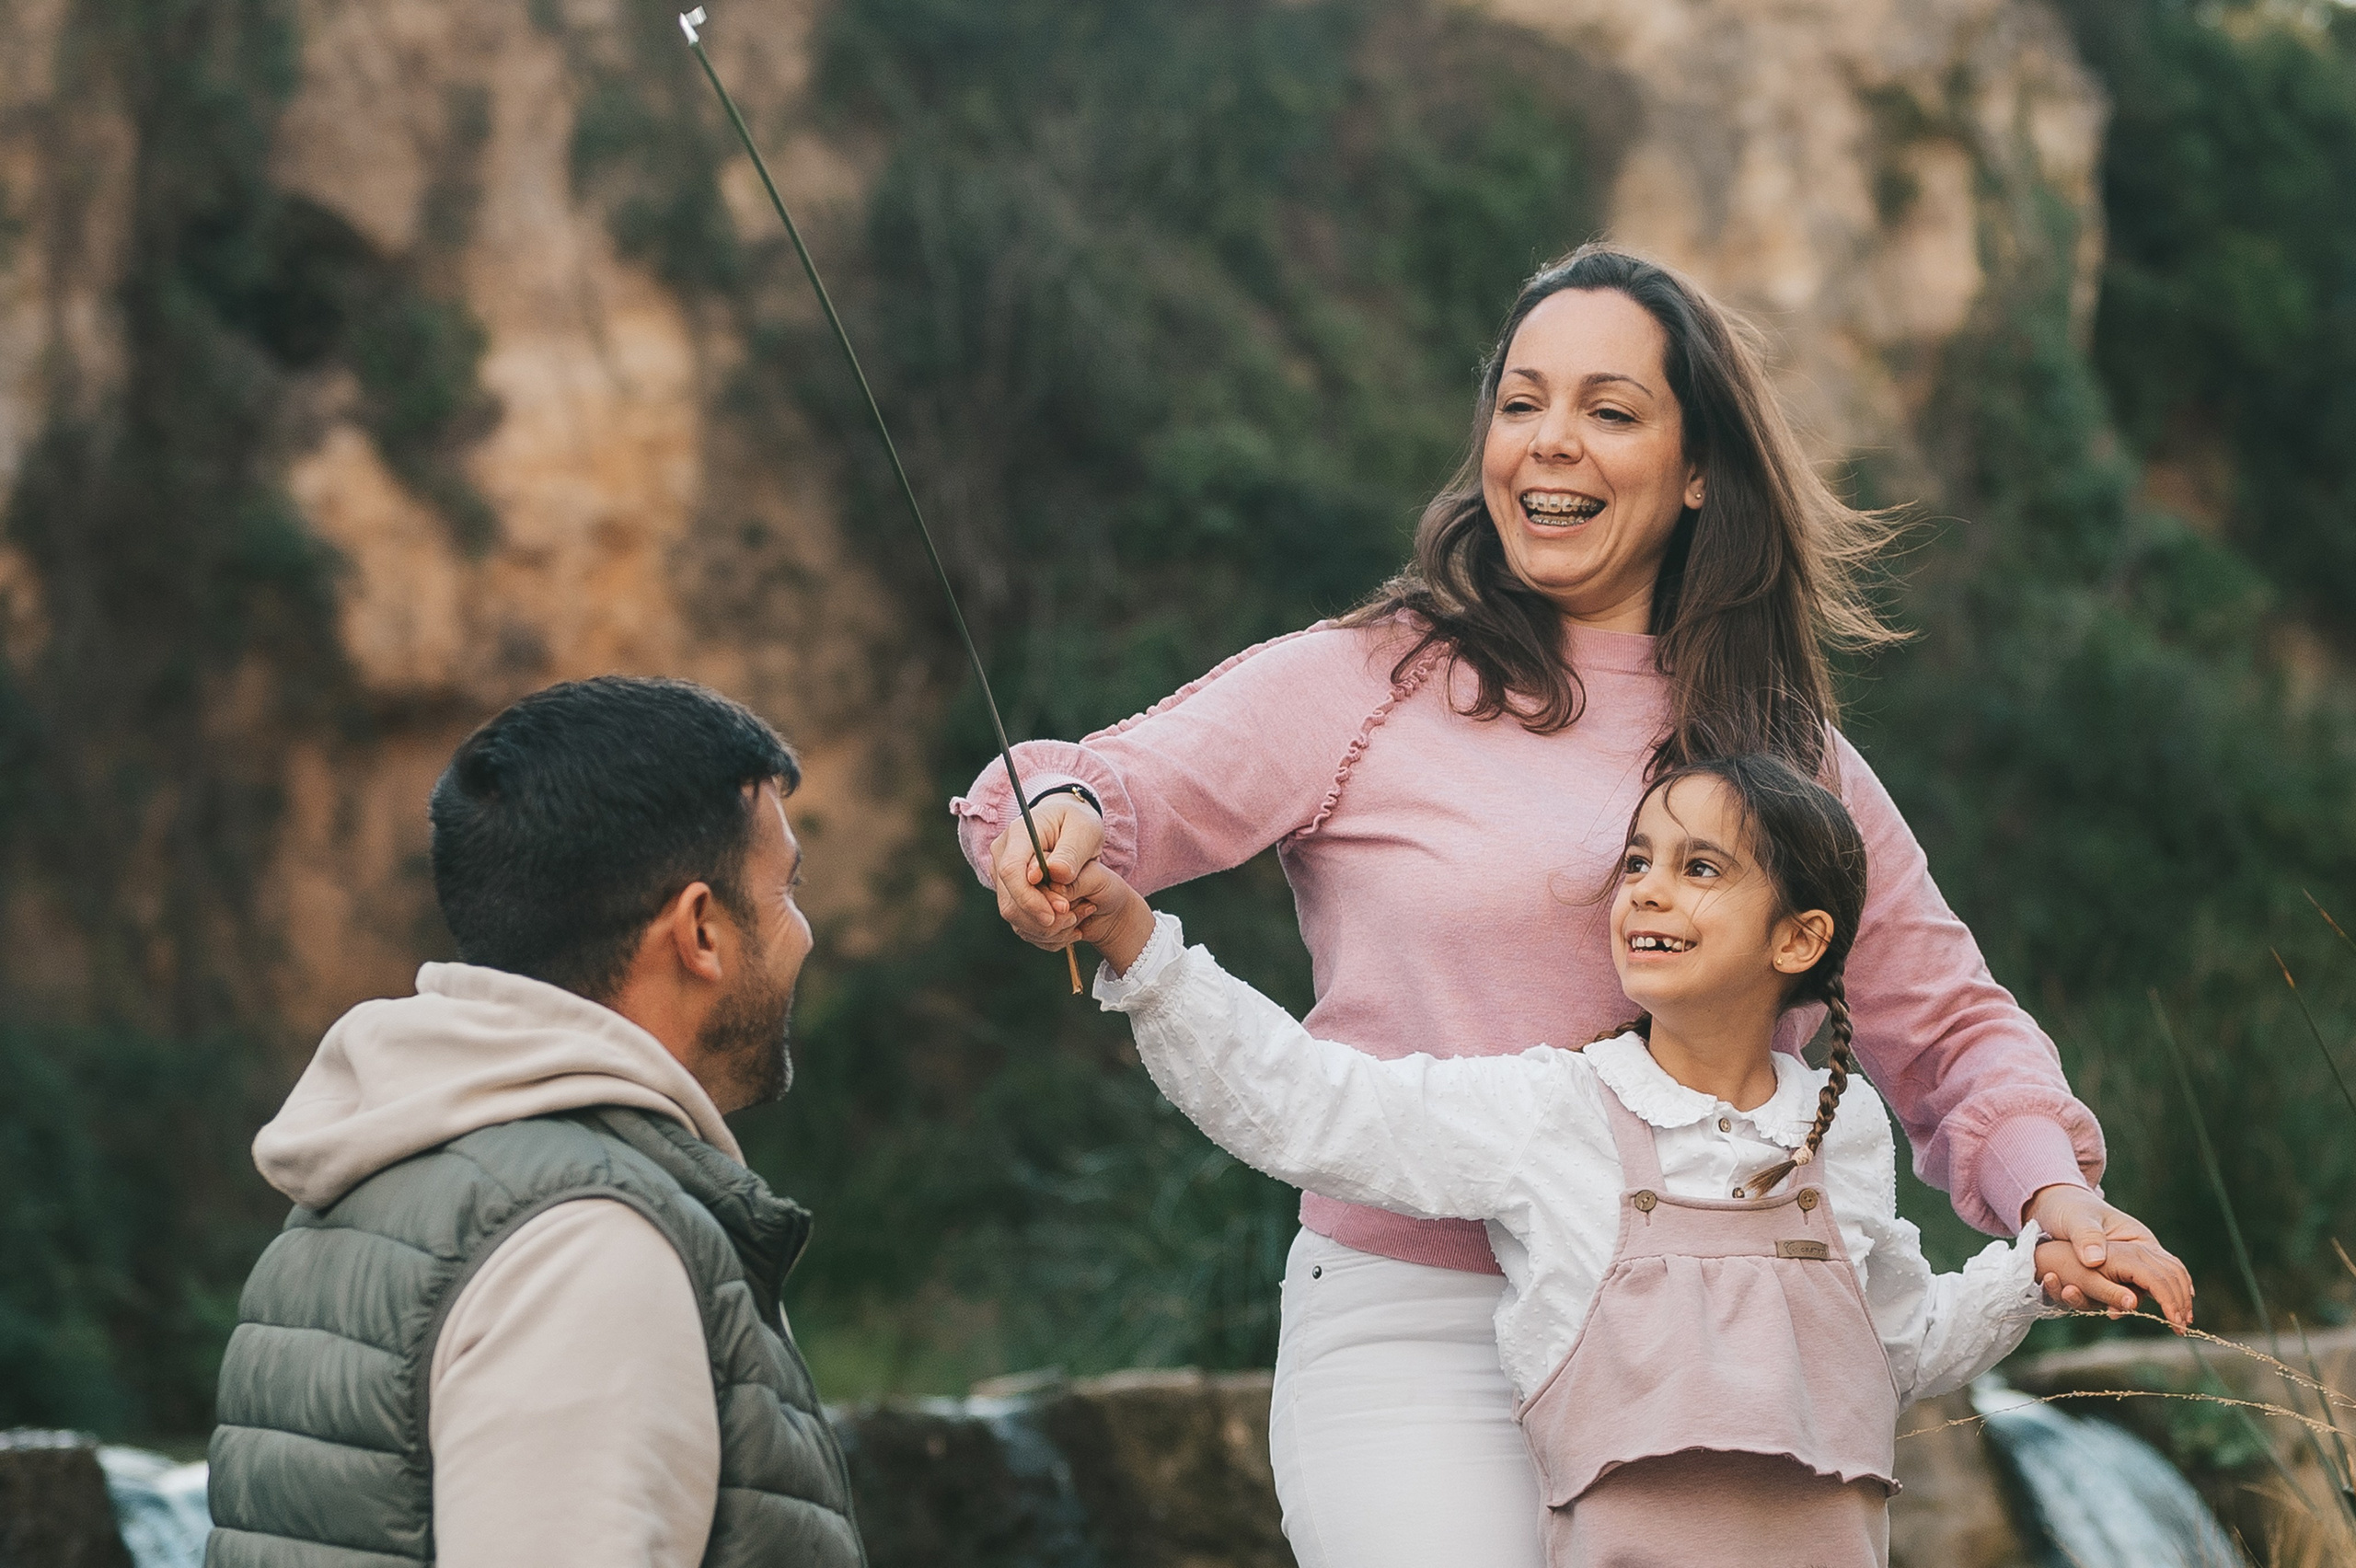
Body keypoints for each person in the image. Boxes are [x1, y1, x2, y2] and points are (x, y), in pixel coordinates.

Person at [952, 243, 2194, 1565]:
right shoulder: (1368, 682)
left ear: (1698, 468)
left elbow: (1946, 1027)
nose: (1551, 442)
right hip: (1414, 1334)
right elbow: (1095, 786)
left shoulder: (1783, 750)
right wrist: (1054, 830)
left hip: (1715, 1339)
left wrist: (2051, 1198)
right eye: (1521, 403)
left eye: (1609, 410)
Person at [1067, 755, 2192, 1567]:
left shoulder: (1839, 1129)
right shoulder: (1555, 1114)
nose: (1647, 888)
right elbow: (1313, 1107)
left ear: (1799, 938)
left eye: (1700, 867)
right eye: (1639, 861)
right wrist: (1139, 949)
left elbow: (1896, 1346)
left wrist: (2032, 1272)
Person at [205, 677, 865, 1568]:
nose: (805, 932)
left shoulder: (370, 1184)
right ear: (700, 930)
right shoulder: (588, 1254)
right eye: (788, 888)